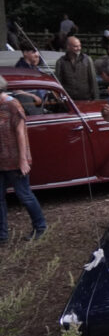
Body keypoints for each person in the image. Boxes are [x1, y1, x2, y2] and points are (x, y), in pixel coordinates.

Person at [0, 75, 47, 243]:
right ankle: (2, 235)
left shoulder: (12, 105)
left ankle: (40, 226)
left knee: (24, 194)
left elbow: (20, 133)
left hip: (15, 158)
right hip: (1, 159)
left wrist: (22, 160)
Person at [54, 36, 98, 100]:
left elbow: (93, 81)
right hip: (69, 100)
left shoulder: (87, 60)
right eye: (75, 46)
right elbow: (58, 82)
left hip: (85, 99)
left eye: (80, 46)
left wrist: (96, 99)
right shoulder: (60, 62)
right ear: (68, 47)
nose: (79, 48)